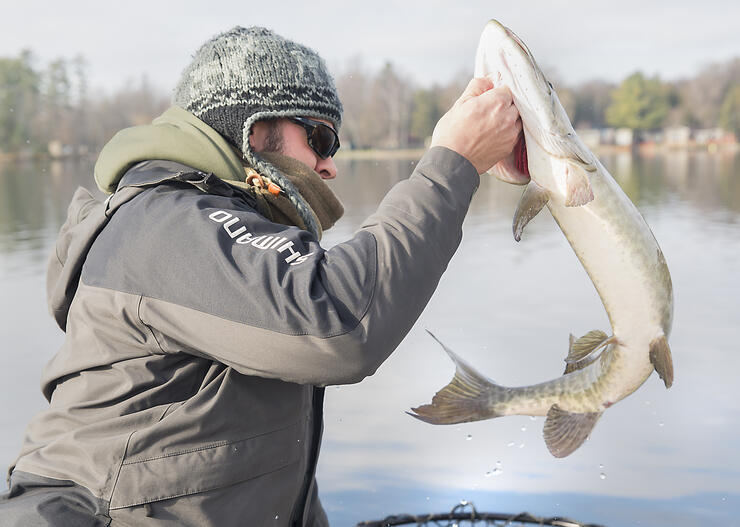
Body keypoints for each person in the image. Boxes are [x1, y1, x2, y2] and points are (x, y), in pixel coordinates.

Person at [0, 26, 521, 526]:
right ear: (253, 128)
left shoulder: (217, 232)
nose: (329, 165)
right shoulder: (163, 224)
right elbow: (339, 322)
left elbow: (260, 469)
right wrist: (453, 164)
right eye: (320, 137)